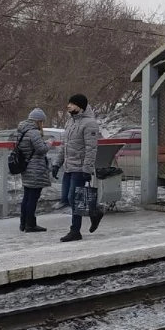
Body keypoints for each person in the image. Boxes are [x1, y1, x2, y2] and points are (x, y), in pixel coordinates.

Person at [59, 93, 101, 242]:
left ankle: (75, 231)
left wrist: (87, 169)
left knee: (74, 198)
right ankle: (94, 212)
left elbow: (91, 148)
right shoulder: (70, 122)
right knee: (65, 197)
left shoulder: (89, 123)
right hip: (68, 166)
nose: (68, 106)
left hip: (80, 167)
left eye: (72, 103)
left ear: (80, 106)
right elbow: (65, 145)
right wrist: (58, 163)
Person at [17, 108, 51, 233]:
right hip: (35, 168)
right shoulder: (34, 132)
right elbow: (41, 149)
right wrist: (49, 143)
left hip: (26, 168)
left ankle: (23, 223)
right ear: (39, 121)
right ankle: (30, 224)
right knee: (33, 197)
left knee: (27, 196)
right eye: (42, 122)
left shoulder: (21, 130)